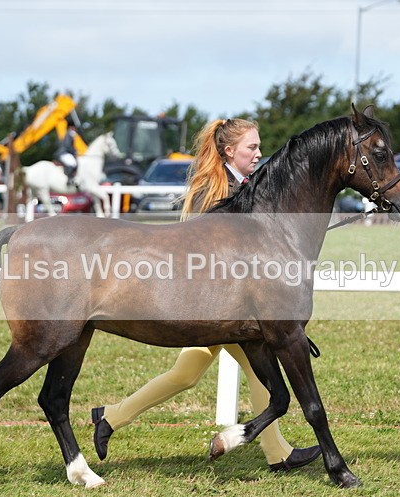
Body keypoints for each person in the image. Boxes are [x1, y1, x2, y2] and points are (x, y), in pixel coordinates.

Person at [91, 118, 321, 472]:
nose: (259, 153)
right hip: (210, 304)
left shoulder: (240, 184)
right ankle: (278, 454)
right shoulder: (215, 189)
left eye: (259, 147)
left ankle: (110, 418)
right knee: (261, 372)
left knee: (185, 375)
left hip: (229, 303)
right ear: (229, 151)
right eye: (251, 148)